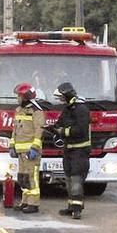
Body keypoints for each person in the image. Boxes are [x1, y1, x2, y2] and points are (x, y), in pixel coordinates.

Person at [50, 82, 90, 220]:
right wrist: (53, 128)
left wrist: (63, 131)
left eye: (61, 97)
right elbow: (60, 123)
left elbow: (81, 130)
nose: (60, 100)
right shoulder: (68, 109)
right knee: (68, 179)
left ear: (67, 96)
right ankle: (71, 207)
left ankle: (77, 209)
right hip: (68, 150)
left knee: (76, 180)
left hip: (80, 151)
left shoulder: (81, 109)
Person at [10, 83, 44, 214]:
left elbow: (39, 132)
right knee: (23, 177)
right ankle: (25, 201)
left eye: (19, 96)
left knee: (32, 177)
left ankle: (33, 203)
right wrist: (12, 145)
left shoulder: (36, 111)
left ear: (26, 97)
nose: (17, 98)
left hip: (31, 151)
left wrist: (35, 148)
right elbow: (15, 130)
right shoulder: (19, 110)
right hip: (20, 151)